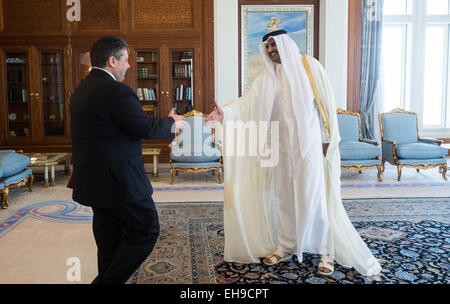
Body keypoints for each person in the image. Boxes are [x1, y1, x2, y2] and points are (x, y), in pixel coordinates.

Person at [206, 18, 382, 277]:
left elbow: (324, 106)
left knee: (314, 198)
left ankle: (325, 250)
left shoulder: (310, 68)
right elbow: (247, 103)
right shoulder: (268, 77)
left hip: (309, 146)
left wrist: (326, 141)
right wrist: (226, 113)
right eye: (267, 46)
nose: (270, 50)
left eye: (274, 44)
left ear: (286, 43)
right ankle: (286, 245)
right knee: (284, 197)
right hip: (281, 147)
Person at [70, 36, 185, 284]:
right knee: (147, 229)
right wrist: (172, 123)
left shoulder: (82, 89)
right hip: (120, 181)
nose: (129, 66)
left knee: (109, 237)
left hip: (93, 180)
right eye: (126, 60)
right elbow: (144, 128)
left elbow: (120, 128)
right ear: (112, 61)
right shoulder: (117, 92)